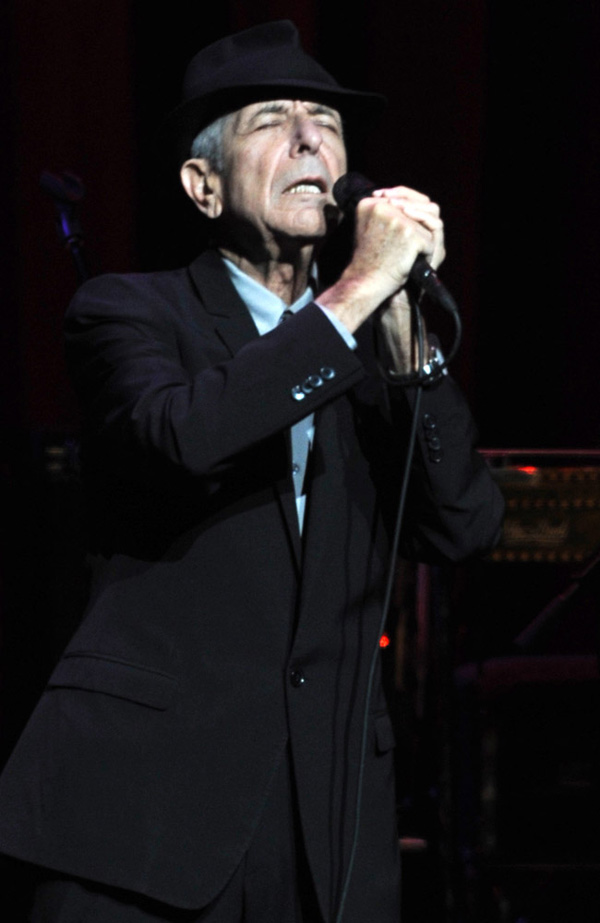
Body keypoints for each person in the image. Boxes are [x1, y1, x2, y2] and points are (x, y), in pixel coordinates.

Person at [0, 20, 503, 923]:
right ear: (203, 185)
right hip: (143, 824)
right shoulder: (128, 311)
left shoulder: (367, 350)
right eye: (272, 120)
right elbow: (179, 438)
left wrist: (404, 335)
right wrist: (356, 293)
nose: (311, 139)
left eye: (328, 124)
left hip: (325, 830)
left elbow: (463, 524)